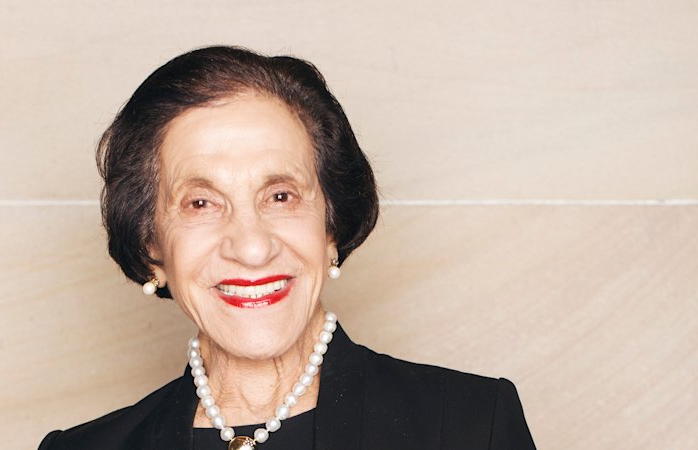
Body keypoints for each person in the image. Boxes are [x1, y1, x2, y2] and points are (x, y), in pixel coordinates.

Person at [38, 46, 535, 450]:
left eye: (280, 196)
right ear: (152, 247)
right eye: (201, 203)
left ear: (331, 226)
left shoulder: (473, 426)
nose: (252, 248)